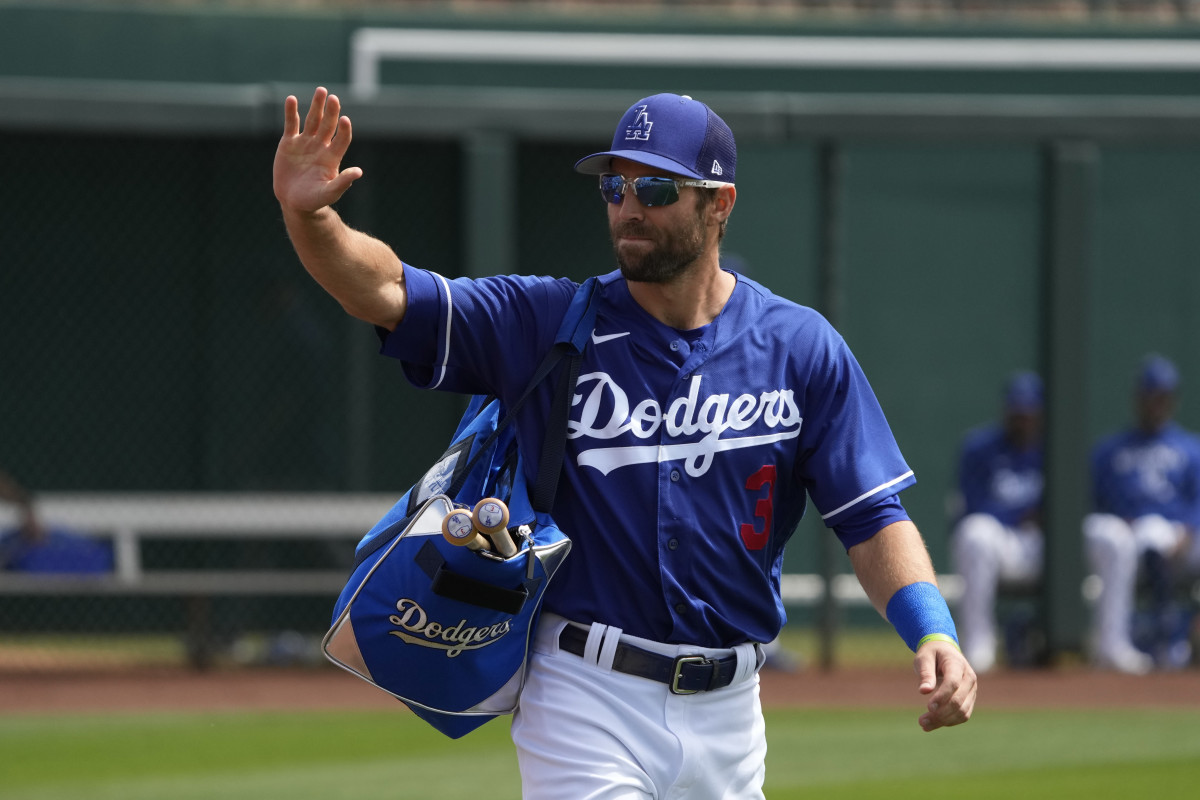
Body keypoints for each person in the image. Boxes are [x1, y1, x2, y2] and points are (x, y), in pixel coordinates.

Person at [274, 87, 976, 798]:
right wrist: (312, 216)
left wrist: (933, 631)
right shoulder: (545, 320)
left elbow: (870, 516)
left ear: (719, 203)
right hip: (584, 694)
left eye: (657, 187)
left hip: (733, 712)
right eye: (614, 185)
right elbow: (388, 292)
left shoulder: (799, 348)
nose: (629, 206)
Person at [1084, 354, 1200, 673]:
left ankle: (1179, 636)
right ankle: (1144, 640)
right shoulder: (1111, 449)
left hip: (1182, 536)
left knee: (1159, 534)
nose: (1156, 404)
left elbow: (1198, 500)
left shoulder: (1190, 448)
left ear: (1172, 400)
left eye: (1163, 397)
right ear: (1139, 398)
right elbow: (1093, 501)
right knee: (1139, 534)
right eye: (1151, 396)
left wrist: (1189, 530)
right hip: (1131, 536)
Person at [950, 371, 1045, 674]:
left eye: (1028, 413)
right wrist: (1021, 513)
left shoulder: (1053, 448)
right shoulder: (979, 448)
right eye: (1017, 412)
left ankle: (1097, 642)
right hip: (1001, 539)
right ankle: (980, 645)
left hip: (1042, 543)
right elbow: (972, 506)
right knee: (975, 533)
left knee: (1103, 534)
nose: (1022, 419)